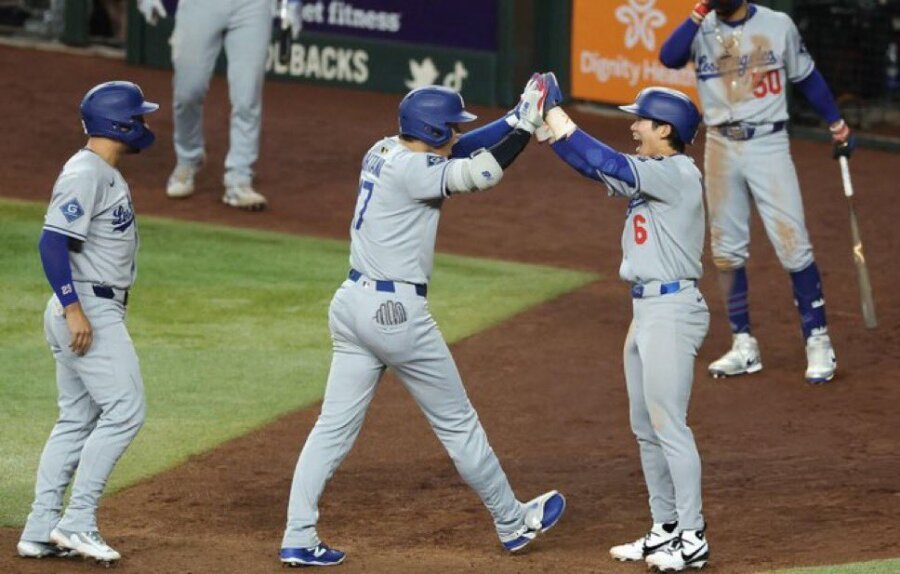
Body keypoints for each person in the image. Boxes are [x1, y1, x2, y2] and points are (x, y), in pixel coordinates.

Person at [278, 77, 566, 567]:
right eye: (451, 126)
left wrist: (518, 115)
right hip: (396, 316)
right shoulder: (415, 171)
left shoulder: (384, 149)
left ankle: (298, 535)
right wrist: (522, 130)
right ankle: (512, 522)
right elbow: (482, 172)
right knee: (457, 424)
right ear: (433, 131)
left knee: (331, 428)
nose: (457, 133)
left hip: (351, 305)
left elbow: (459, 150)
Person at [538, 79, 711, 571]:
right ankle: (665, 529)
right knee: (646, 428)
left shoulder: (676, 173)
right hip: (646, 313)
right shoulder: (653, 172)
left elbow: (609, 161)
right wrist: (547, 126)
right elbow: (591, 167)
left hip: (672, 311)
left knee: (669, 426)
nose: (633, 127)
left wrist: (560, 115)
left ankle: (693, 537)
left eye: (641, 120)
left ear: (665, 129)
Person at [659, 0, 855, 383]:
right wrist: (699, 12)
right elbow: (669, 57)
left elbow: (808, 77)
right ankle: (743, 344)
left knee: (793, 243)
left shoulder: (778, 24)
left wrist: (837, 124)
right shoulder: (700, 28)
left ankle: (818, 341)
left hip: (769, 143)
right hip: (720, 145)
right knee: (725, 249)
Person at [17, 81, 158, 565]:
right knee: (126, 410)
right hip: (86, 307)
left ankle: (39, 529)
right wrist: (74, 307)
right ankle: (77, 521)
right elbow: (51, 242)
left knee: (77, 419)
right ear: (119, 124)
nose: (144, 125)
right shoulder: (86, 172)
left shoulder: (100, 171)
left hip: (87, 305)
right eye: (138, 117)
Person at [137, 0, 303, 211]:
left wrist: (293, 4)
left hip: (253, 6)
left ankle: (240, 177)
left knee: (248, 96)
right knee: (188, 92)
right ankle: (189, 158)